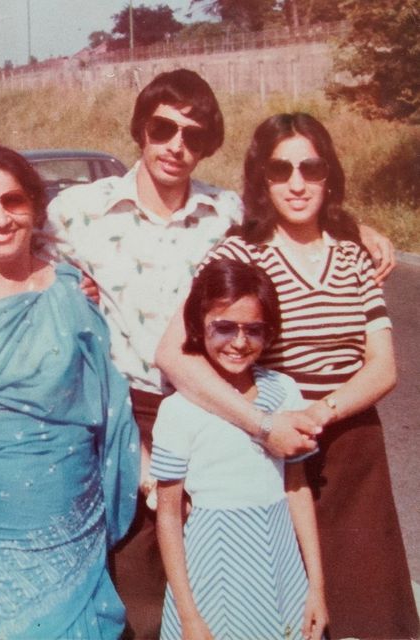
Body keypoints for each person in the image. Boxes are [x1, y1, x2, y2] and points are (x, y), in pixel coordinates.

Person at [41, 69, 394, 638]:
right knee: (136, 588)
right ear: (140, 130)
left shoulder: (227, 215)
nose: (176, 146)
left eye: (194, 134)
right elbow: (1, 231)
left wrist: (361, 228)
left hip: (212, 410)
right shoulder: (76, 211)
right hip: (125, 413)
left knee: (219, 575)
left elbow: (295, 212)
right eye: (163, 128)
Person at [156, 112, 419, 639]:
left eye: (310, 168)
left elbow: (383, 366)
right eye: (281, 170)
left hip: (352, 456)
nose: (297, 183)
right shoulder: (239, 252)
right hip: (271, 459)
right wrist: (262, 424)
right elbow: (172, 354)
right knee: (284, 616)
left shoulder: (353, 257)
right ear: (261, 179)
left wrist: (318, 412)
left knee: (367, 619)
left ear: (329, 176)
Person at [0, 145, 139, 639]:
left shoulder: (67, 290)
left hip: (60, 514)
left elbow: (103, 397)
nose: (0, 218)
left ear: (34, 206)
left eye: (12, 201)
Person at [152, 259, 327, 640]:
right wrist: (189, 616)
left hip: (282, 568)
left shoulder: (284, 392)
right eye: (224, 327)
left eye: (254, 330)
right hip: (214, 571)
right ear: (199, 326)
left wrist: (316, 587)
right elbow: (168, 516)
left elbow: (297, 488)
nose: (239, 342)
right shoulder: (180, 408)